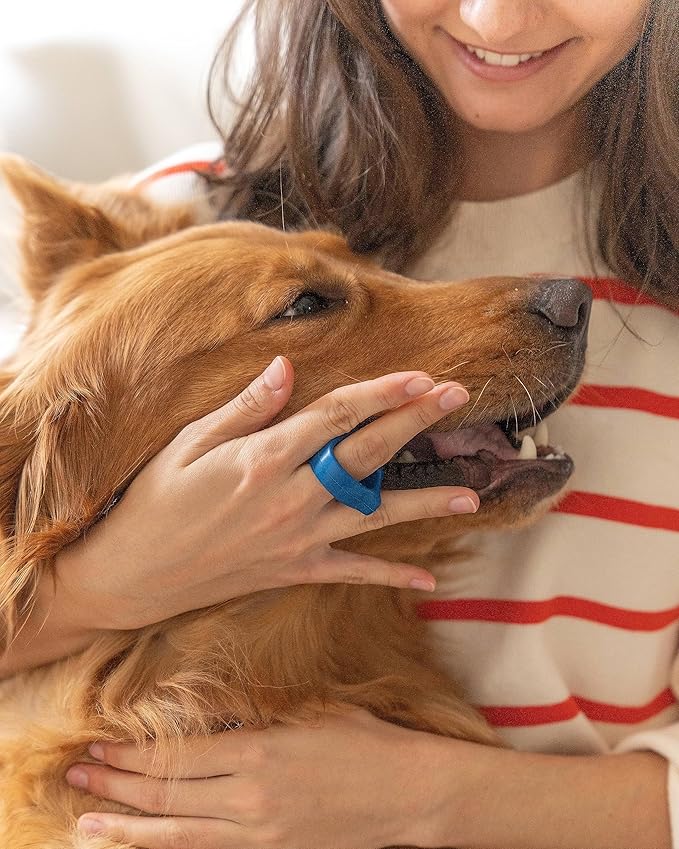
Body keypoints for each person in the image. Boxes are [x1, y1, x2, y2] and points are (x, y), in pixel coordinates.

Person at [3, 1, 679, 846]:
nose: (496, 16)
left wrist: (435, 799)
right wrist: (104, 583)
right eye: (311, 301)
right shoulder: (173, 217)